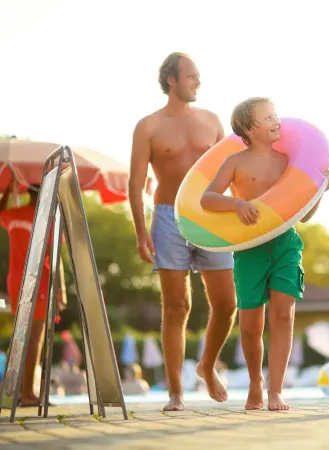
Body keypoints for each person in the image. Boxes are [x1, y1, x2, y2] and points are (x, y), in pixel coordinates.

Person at [200, 97, 329, 411]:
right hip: (249, 248)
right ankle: (255, 383)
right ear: (249, 128)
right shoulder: (235, 162)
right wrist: (237, 204)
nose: (278, 121)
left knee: (284, 315)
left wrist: (321, 192)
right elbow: (207, 198)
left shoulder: (286, 160)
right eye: (269, 117)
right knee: (249, 326)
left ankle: (275, 390)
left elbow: (303, 216)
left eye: (276, 115)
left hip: (285, 244)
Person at [128, 52, 237, 411]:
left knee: (226, 304)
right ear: (172, 80)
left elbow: (232, 169)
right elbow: (135, 182)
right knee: (177, 305)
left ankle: (206, 364)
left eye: (198, 76)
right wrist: (141, 231)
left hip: (210, 217)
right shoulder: (148, 126)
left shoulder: (212, 121)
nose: (198, 82)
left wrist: (240, 213)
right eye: (191, 76)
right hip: (167, 218)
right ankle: (176, 392)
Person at [0, 176, 50, 406]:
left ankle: (17, 392)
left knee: (20, 338)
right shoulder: (46, 219)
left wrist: (9, 192)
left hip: (15, 282)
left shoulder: (14, 214)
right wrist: (58, 291)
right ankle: (28, 393)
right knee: (34, 340)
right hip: (38, 282)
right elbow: (50, 258)